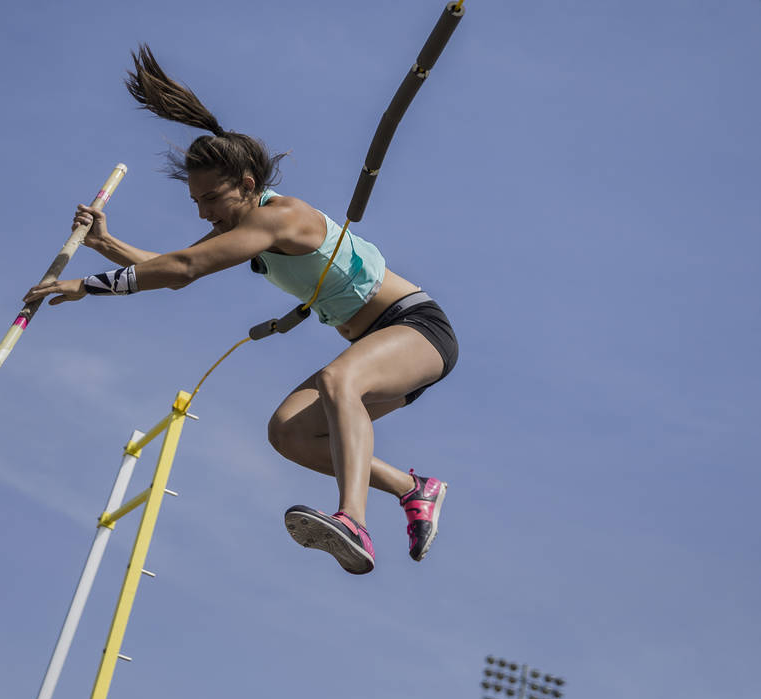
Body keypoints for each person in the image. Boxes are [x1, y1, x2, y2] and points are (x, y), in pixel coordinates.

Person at [24, 46, 458, 575]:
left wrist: (89, 287)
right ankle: (414, 489)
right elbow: (175, 268)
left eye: (211, 200)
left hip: (417, 329)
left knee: (339, 380)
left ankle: (352, 521)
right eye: (197, 205)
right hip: (378, 344)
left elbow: (183, 269)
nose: (205, 213)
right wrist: (106, 246)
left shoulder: (279, 219)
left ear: (248, 186)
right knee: (288, 433)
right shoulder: (243, 227)